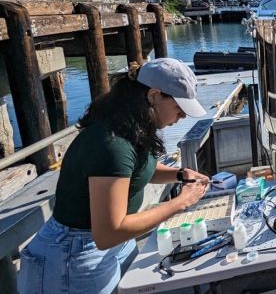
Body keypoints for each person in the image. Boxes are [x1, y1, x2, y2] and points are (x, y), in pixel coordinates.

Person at [19, 58, 210, 293]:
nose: (181, 118)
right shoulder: (112, 143)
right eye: (179, 110)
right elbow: (108, 232)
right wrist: (181, 202)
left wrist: (179, 174)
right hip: (74, 255)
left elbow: (135, 171)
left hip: (112, 244)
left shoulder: (129, 126)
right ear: (153, 96)